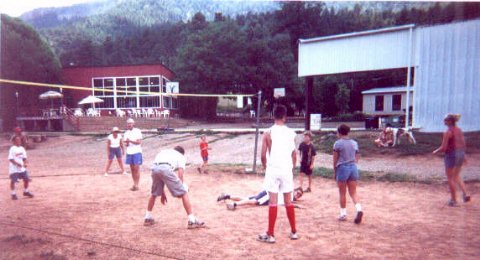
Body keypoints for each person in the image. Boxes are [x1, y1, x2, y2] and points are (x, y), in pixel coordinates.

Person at [257, 104, 298, 244]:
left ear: (273, 116)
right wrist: (291, 168)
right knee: (288, 201)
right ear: (285, 117)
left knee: (273, 202)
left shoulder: (267, 132)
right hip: (286, 169)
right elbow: (294, 154)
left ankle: (271, 234)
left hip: (273, 169)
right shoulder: (291, 133)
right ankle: (293, 232)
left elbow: (263, 155)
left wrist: (265, 167)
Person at [144, 146, 205, 229]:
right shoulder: (181, 156)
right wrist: (181, 187)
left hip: (154, 168)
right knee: (184, 193)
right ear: (182, 153)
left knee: (154, 194)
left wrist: (162, 193)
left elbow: (160, 172)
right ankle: (192, 221)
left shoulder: (164, 151)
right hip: (165, 168)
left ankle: (147, 217)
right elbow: (180, 173)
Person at [433, 114, 471, 206]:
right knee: (456, 175)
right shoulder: (459, 130)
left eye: (445, 120)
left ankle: (454, 200)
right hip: (460, 153)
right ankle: (466, 194)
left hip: (451, 155)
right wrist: (464, 156)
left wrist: (435, 151)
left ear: (450, 121)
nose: (444, 122)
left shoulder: (448, 132)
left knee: (450, 178)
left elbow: (444, 147)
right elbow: (462, 144)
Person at [333, 124, 363, 224]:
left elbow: (335, 159)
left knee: (342, 193)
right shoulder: (354, 143)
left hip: (342, 168)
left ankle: (343, 214)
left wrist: (335, 171)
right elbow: (357, 156)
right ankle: (359, 209)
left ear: (339, 132)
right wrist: (353, 163)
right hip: (353, 167)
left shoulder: (337, 144)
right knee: (353, 192)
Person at [217, 188, 304, 210]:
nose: (298, 195)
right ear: (294, 190)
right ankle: (234, 204)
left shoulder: (290, 198)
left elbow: (287, 204)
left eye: (300, 195)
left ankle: (227, 196)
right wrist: (297, 205)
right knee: (253, 202)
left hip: (268, 196)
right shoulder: (288, 192)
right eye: (298, 193)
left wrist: (297, 206)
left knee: (246, 199)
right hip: (268, 196)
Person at [8, 136, 34, 200]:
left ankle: (26, 191)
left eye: (19, 140)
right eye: (17, 140)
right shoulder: (12, 148)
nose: (19, 141)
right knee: (13, 181)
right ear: (13, 141)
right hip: (14, 169)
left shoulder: (22, 148)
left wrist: (25, 163)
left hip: (22, 168)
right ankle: (13, 194)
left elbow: (24, 158)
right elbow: (10, 159)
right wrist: (17, 164)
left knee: (26, 179)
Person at [124, 118, 143, 191]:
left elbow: (139, 142)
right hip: (129, 152)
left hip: (137, 152)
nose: (129, 125)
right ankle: (134, 184)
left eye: (130, 123)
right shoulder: (126, 133)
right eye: (128, 123)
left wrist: (130, 141)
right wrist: (127, 143)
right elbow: (127, 144)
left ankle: (137, 184)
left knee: (136, 168)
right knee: (132, 169)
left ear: (133, 124)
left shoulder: (137, 131)